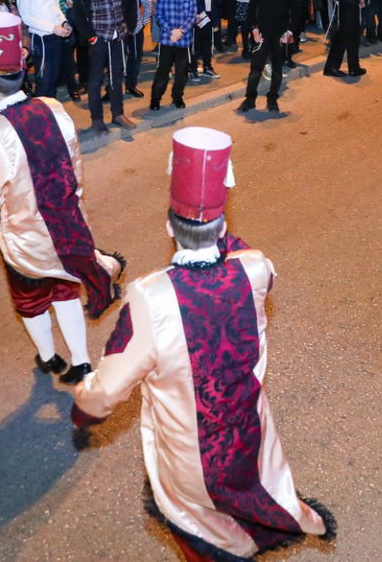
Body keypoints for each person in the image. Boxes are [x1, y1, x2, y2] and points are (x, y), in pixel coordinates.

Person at [72, 127, 334, 562]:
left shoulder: (150, 297)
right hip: (250, 440)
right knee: (253, 505)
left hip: (191, 461)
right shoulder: (254, 271)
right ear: (224, 226)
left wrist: (83, 408)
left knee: (205, 538)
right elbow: (244, 253)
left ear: (167, 227)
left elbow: (106, 393)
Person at [0, 12, 126, 384]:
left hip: (25, 242)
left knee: (31, 301)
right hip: (69, 233)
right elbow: (75, 173)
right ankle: (82, 361)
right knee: (65, 292)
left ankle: (49, 358)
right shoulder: (55, 109)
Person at [65, 0, 138, 134]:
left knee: (116, 76)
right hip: (99, 38)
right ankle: (97, 119)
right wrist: (90, 36)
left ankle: (117, 114)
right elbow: (76, 14)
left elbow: (130, 2)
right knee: (95, 79)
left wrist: (129, 27)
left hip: (118, 36)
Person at [239, 0, 296, 113]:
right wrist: (254, 29)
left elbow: (298, 13)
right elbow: (250, 12)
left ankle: (272, 100)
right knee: (255, 68)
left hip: (279, 35)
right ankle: (250, 100)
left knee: (277, 69)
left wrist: (289, 32)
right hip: (262, 35)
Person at [16, 0, 73, 99]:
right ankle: (40, 112)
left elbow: (56, 8)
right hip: (40, 38)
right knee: (44, 78)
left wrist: (63, 22)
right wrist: (52, 27)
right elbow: (26, 17)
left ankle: (50, 107)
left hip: (55, 35)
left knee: (54, 76)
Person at [148, 0, 195, 111]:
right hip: (167, 41)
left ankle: (177, 96)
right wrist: (171, 31)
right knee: (162, 71)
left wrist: (181, 31)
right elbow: (159, 16)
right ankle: (155, 98)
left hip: (183, 41)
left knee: (182, 72)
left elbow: (192, 16)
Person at [117, 0, 149, 98]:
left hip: (136, 27)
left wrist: (144, 20)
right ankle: (113, 88)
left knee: (135, 57)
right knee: (117, 59)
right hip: (119, 29)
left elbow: (146, 2)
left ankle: (131, 85)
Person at [188, 0, 221, 81]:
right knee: (195, 46)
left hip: (209, 21)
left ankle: (208, 67)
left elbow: (218, 4)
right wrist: (193, 15)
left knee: (208, 45)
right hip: (196, 22)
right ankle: (192, 68)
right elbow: (189, 3)